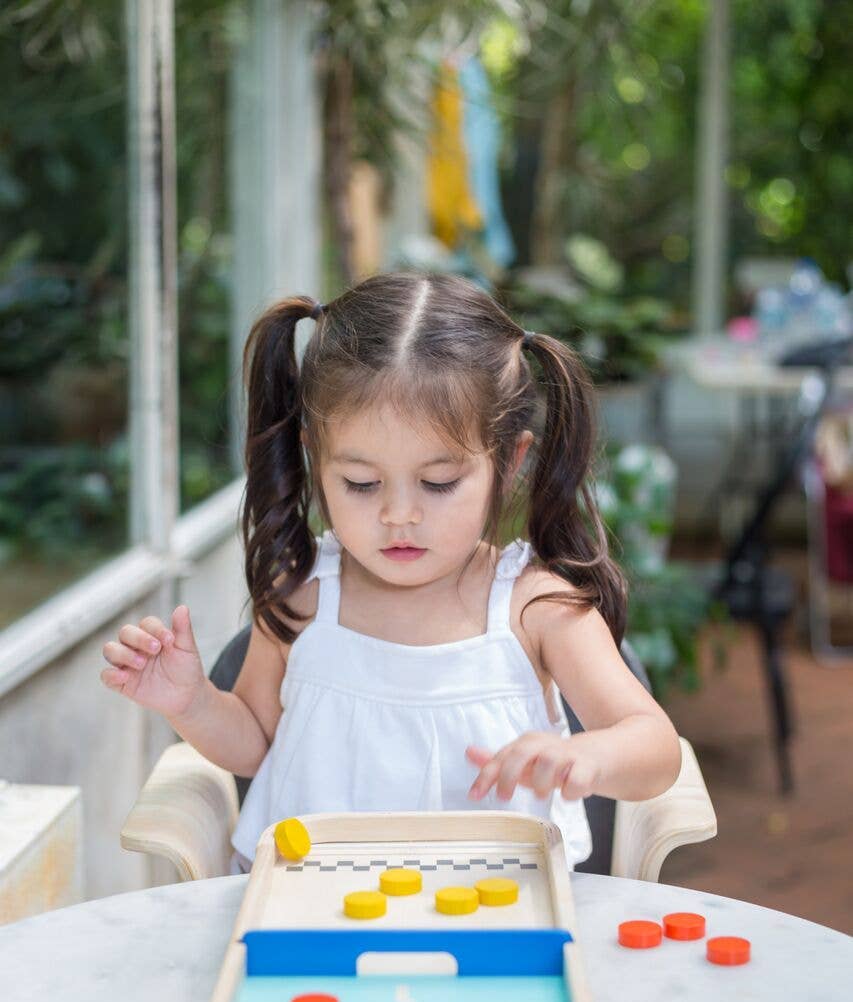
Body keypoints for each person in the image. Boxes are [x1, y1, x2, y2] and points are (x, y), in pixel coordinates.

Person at [100, 271, 682, 874]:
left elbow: (655, 747)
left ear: (508, 463)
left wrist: (588, 753)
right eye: (360, 483)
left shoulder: (536, 609)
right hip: (311, 922)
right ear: (315, 459)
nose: (398, 514)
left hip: (496, 924)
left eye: (438, 483)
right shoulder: (303, 599)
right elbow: (253, 746)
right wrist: (191, 701)